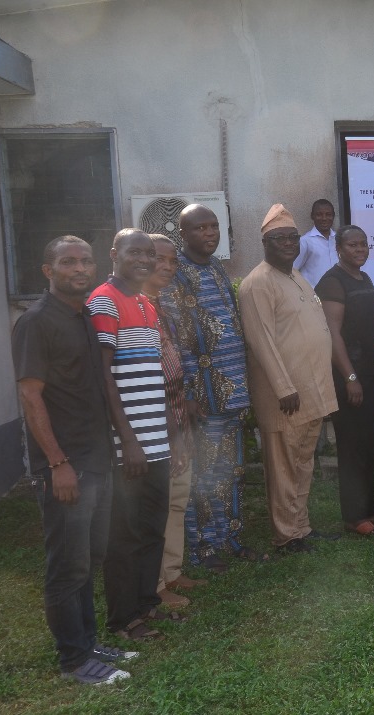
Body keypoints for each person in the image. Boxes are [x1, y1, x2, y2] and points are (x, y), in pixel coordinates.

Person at [11, 235, 133, 684]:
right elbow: (30, 395)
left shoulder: (83, 316)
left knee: (89, 557)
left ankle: (88, 639)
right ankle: (75, 661)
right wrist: (57, 463)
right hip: (66, 466)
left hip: (96, 459)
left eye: (85, 261)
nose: (79, 269)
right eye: (68, 262)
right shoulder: (36, 322)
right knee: (67, 564)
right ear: (48, 271)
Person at [88, 229, 177, 642]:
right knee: (124, 535)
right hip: (131, 445)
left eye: (149, 253)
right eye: (134, 253)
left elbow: (153, 374)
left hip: (155, 440)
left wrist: (166, 432)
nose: (145, 260)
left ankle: (146, 605)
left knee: (151, 527)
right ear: (114, 254)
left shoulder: (145, 303)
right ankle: (123, 620)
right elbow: (103, 376)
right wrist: (128, 441)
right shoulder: (104, 300)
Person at [160, 204, 257, 573]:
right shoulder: (174, 275)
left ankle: (228, 537)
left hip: (233, 394)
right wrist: (186, 395)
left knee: (230, 471)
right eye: (200, 228)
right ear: (183, 234)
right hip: (205, 397)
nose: (210, 233)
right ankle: (202, 548)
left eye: (214, 226)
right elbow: (175, 339)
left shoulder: (217, 268)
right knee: (202, 473)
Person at [239, 204, 340, 553]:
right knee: (283, 466)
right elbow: (261, 341)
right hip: (285, 396)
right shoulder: (257, 283)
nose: (287, 244)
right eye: (279, 238)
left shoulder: (295, 275)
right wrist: (284, 388)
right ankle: (286, 535)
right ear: (265, 242)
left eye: (292, 238)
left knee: (302, 462)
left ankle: (301, 527)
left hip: (309, 393)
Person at [315, 225, 374, 536]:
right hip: (350, 377)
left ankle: (372, 509)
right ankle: (354, 515)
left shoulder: (362, 278)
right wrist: (350, 377)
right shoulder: (333, 282)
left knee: (369, 443)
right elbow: (332, 334)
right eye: (352, 245)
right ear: (339, 249)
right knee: (352, 445)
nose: (359, 249)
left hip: (373, 375)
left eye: (363, 244)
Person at [144, 235, 204, 608]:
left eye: (172, 262)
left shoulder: (160, 305)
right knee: (154, 505)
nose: (167, 267)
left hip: (177, 415)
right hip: (154, 424)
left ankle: (173, 570)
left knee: (177, 499)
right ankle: (154, 586)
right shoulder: (127, 307)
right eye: (159, 260)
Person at [292, 199, 338, 287]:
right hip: (314, 296)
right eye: (319, 215)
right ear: (312, 216)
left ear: (333, 216)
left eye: (328, 215)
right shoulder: (305, 242)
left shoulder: (339, 239)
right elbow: (293, 270)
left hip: (337, 295)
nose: (324, 218)